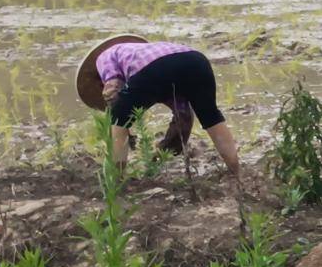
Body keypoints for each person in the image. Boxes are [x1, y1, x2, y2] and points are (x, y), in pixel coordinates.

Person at [77, 37, 244, 177]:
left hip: (154, 69)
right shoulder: (143, 52)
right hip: (197, 61)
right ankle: (237, 173)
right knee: (210, 116)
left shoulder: (105, 56)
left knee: (119, 119)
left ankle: (117, 179)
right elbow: (183, 116)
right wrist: (167, 150)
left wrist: (118, 113)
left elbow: (113, 88)